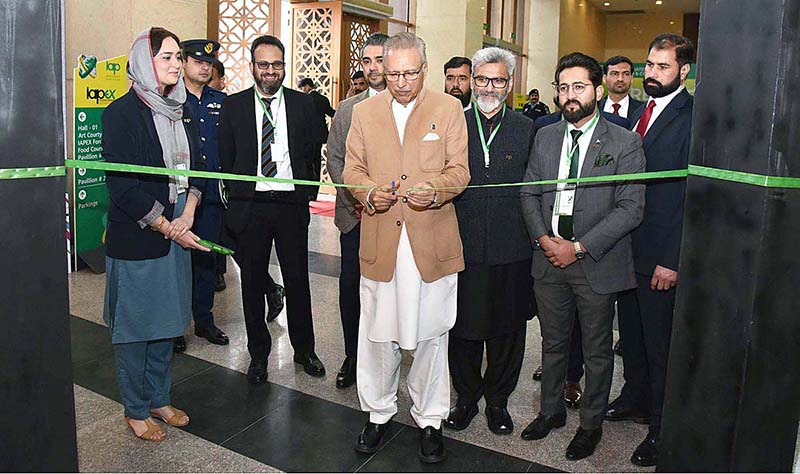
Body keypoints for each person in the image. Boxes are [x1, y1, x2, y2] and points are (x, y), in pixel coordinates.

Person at [343, 32, 470, 464]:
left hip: (430, 243)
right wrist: (367, 193)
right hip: (382, 240)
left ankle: (430, 419)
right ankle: (378, 413)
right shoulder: (364, 112)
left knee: (433, 336)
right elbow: (351, 169)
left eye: (409, 73)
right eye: (392, 72)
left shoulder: (449, 109)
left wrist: (434, 190)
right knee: (378, 334)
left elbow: (459, 171)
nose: (400, 81)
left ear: (424, 69)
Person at [519, 52, 645, 461]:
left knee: (596, 351)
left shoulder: (626, 142)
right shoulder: (545, 135)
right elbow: (529, 192)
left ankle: (590, 424)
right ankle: (551, 411)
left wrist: (576, 247)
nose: (570, 95)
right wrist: (544, 239)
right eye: (564, 87)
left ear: (597, 88)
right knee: (553, 344)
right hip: (548, 259)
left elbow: (630, 207)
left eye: (579, 87)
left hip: (594, 262)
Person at [102, 26, 210, 442]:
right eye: (166, 57)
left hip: (176, 233)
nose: (176, 64)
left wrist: (188, 212)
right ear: (145, 62)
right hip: (140, 239)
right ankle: (135, 408)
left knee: (166, 324)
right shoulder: (120, 114)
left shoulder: (182, 108)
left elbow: (197, 170)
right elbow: (123, 187)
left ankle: (160, 399)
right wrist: (169, 226)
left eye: (178, 57)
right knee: (135, 330)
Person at [606, 34, 695, 468]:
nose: (653, 74)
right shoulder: (641, 113)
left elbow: (689, 197)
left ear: (684, 71)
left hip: (660, 254)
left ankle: (661, 426)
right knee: (634, 338)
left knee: (661, 346)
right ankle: (634, 398)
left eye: (663, 67)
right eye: (650, 65)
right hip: (627, 248)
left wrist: (673, 259)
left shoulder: (693, 117)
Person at [218, 35, 325, 384]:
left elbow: (311, 153)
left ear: (284, 66)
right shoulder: (233, 107)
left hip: (290, 205)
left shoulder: (303, 105)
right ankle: (259, 354)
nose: (270, 71)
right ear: (252, 67)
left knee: (297, 279)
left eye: (277, 65)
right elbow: (226, 158)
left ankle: (305, 350)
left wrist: (307, 191)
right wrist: (238, 194)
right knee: (251, 281)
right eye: (263, 65)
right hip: (252, 206)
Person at [445, 47, 534, 436]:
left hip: (512, 249)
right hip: (462, 246)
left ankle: (498, 402)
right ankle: (465, 398)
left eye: (498, 80)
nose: (489, 87)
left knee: (507, 331)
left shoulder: (527, 129)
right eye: (481, 79)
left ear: (510, 83)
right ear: (471, 80)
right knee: (462, 328)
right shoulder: (453, 124)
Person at [326, 32, 390, 390]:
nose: (373, 68)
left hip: (395, 218)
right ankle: (353, 355)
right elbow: (335, 157)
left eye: (380, 60)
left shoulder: (405, 108)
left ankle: (388, 356)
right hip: (355, 218)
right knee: (351, 288)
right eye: (367, 61)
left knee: (389, 292)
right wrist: (357, 199)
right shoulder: (347, 108)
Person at [172, 39, 229, 353]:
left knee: (206, 258)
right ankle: (175, 324)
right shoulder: (171, 99)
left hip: (211, 195)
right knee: (178, 261)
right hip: (179, 193)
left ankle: (204, 320)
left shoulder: (221, 100)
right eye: (198, 61)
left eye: (209, 62)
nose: (205, 67)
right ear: (183, 62)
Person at [600, 55, 644, 120]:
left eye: (626, 74)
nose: (620, 79)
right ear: (604, 78)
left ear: (631, 78)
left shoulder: (643, 110)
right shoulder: (594, 108)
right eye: (614, 74)